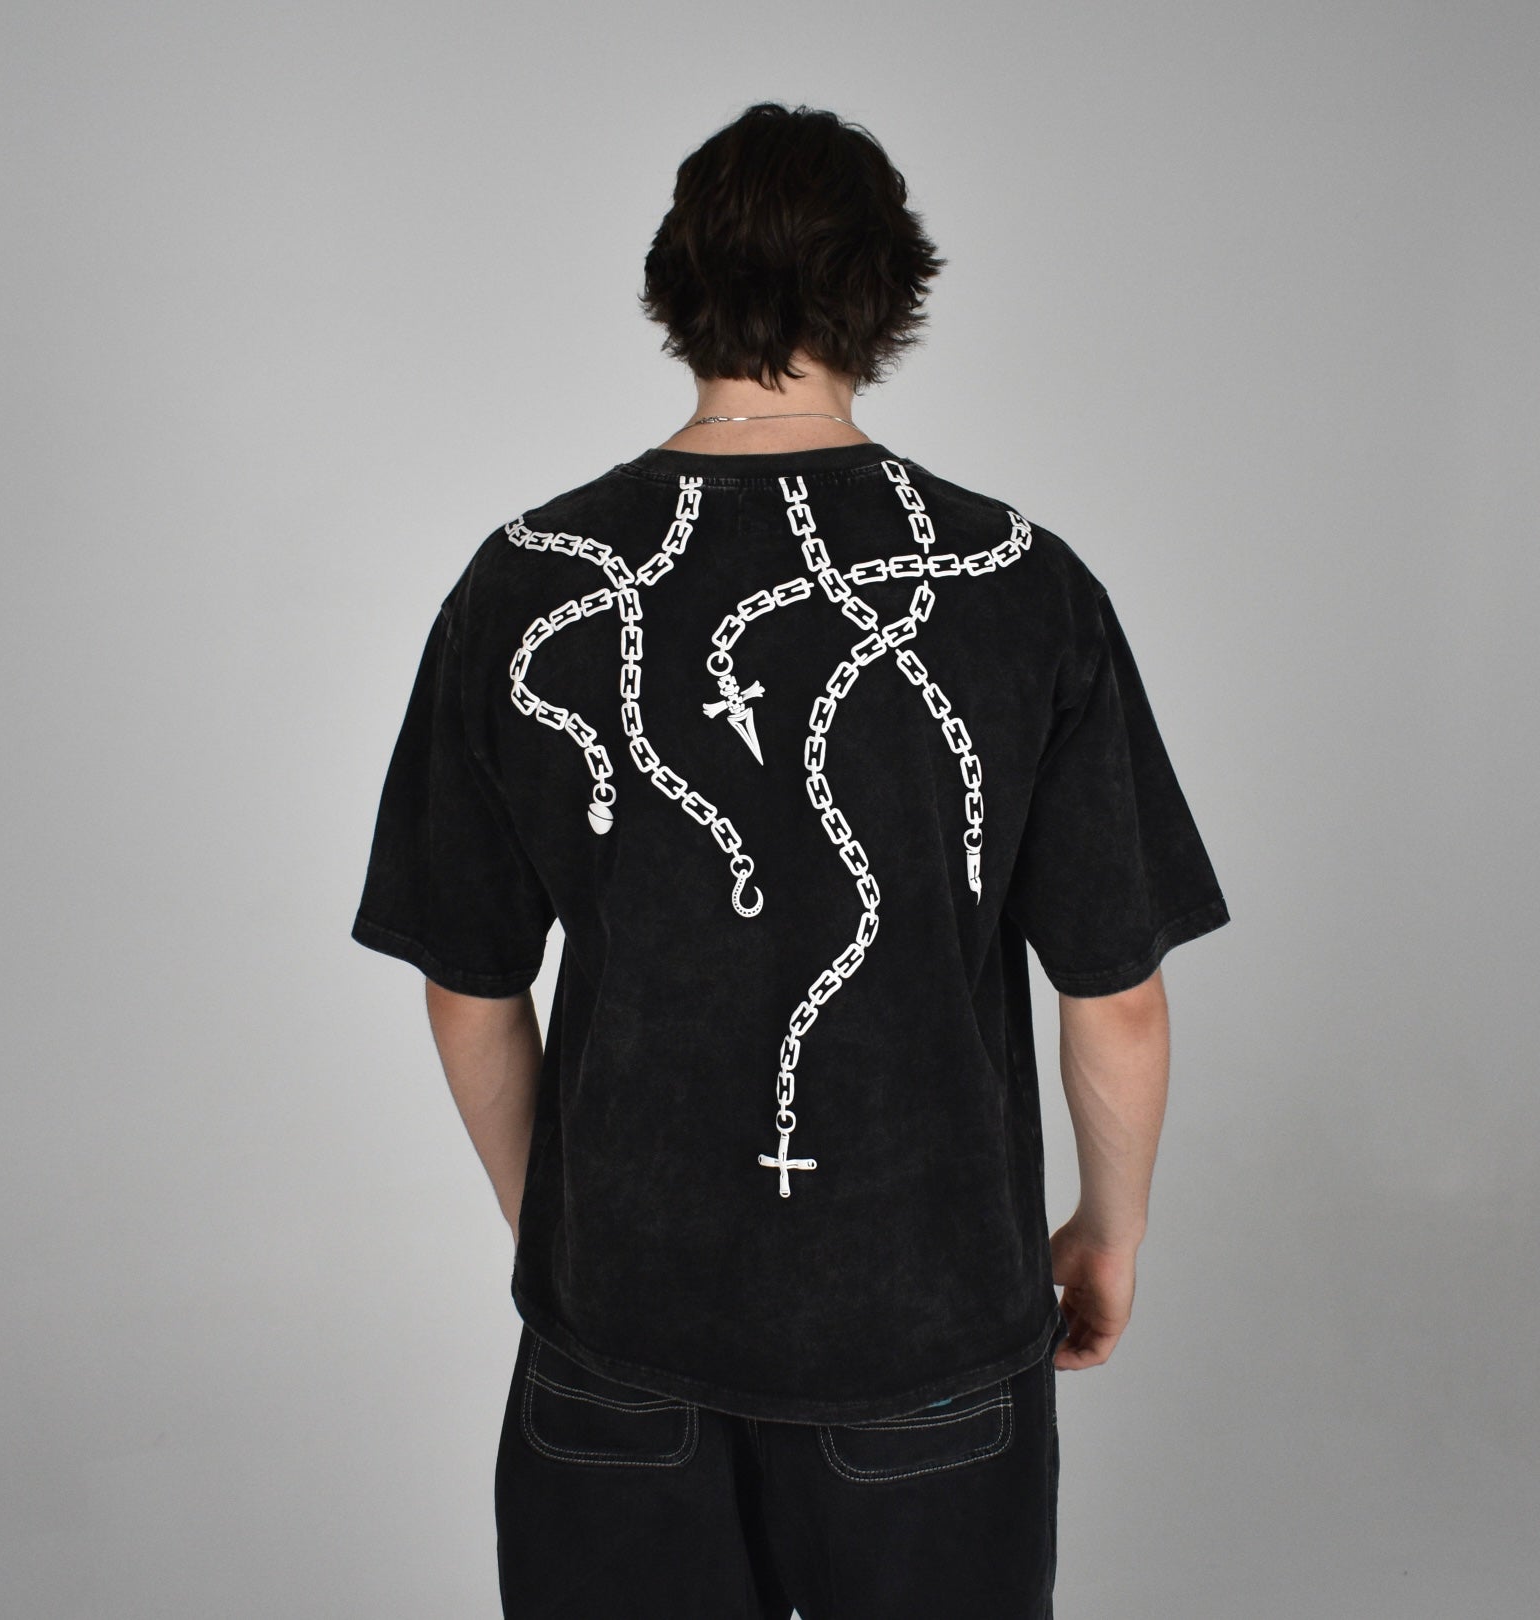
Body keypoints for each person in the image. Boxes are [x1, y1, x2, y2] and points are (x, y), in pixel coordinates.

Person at [349, 101, 1229, 1620]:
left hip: (619, 1338)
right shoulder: (1025, 589)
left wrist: (566, 1234)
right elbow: (1118, 993)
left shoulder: (518, 583)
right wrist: (1109, 1234)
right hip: (933, 1333)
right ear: (888, 295)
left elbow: (467, 984)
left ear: (676, 286)